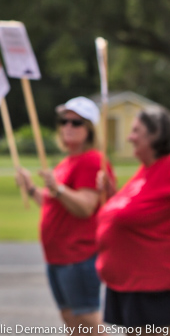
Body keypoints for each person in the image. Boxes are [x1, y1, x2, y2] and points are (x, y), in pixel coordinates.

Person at [15, 96, 115, 333]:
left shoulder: (91, 160)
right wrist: (31, 188)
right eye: (64, 121)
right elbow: (54, 205)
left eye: (76, 122)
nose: (68, 127)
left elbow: (85, 207)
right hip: (58, 256)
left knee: (87, 321)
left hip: (78, 255)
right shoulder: (69, 161)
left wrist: (58, 188)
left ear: (90, 128)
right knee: (71, 320)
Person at [96, 106, 170, 328]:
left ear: (155, 134)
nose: (130, 137)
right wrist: (111, 194)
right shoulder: (146, 169)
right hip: (127, 282)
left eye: (136, 131)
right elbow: (136, 211)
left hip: (151, 285)